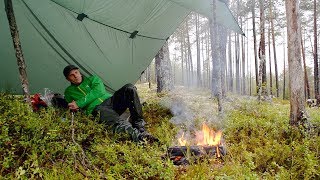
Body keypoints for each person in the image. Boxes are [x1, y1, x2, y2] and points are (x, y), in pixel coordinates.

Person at [63, 65, 159, 143]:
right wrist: (74, 108)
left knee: (129, 88)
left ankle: (140, 127)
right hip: (96, 109)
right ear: (68, 79)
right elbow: (71, 106)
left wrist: (79, 103)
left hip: (111, 101)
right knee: (115, 120)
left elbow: (99, 91)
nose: (75, 76)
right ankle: (141, 137)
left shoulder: (93, 79)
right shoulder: (68, 92)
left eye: (76, 72)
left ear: (79, 72)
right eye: (71, 75)